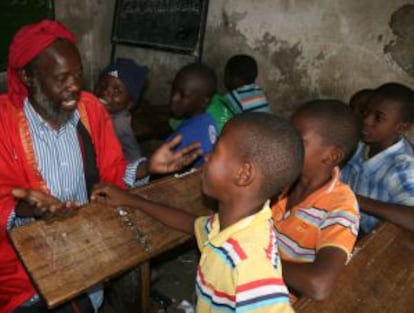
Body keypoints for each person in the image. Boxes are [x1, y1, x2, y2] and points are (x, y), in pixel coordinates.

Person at [0, 20, 201, 313]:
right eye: (62, 78)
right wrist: (24, 210)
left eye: (79, 75)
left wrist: (148, 168)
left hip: (88, 252)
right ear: (29, 77)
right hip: (25, 276)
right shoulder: (4, 123)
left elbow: (112, 175)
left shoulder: (90, 109)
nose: (74, 87)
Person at [92, 112, 304, 313]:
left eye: (217, 151)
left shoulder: (248, 265)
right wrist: (131, 200)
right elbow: (192, 224)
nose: (208, 156)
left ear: (244, 173)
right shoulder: (235, 225)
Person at [271, 100, 360, 302]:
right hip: (252, 279)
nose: (286, 144)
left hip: (279, 300)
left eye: (298, 140)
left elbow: (319, 284)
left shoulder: (340, 207)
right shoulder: (284, 176)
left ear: (331, 156)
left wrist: (254, 260)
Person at [341, 82, 414, 235]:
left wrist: (353, 199)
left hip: (367, 239)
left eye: (378, 118)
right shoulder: (362, 142)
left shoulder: (403, 167)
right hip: (341, 220)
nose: (366, 120)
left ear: (401, 127)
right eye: (366, 112)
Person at [95, 57, 149, 162]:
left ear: (129, 104)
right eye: (103, 84)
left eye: (117, 91)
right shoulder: (96, 109)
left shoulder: (119, 125)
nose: (106, 91)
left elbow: (135, 157)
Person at [166, 62, 218, 168]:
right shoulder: (208, 120)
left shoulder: (185, 138)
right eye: (173, 89)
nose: (174, 98)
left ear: (204, 102)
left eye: (183, 95)